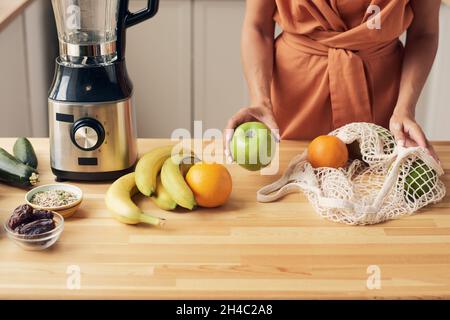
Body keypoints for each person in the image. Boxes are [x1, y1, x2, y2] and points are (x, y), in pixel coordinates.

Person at [224, 0, 440, 162]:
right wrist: (260, 100)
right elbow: (257, 27)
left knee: (372, 180)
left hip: (381, 94)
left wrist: (405, 109)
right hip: (295, 93)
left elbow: (424, 32)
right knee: (291, 176)